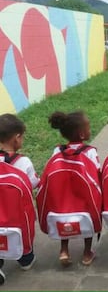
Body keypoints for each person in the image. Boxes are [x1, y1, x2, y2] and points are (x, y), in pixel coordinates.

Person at [47, 111, 100, 266]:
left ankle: (64, 250)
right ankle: (87, 252)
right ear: (82, 134)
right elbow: (96, 173)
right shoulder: (90, 151)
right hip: (83, 196)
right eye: (89, 126)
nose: (91, 129)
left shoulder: (58, 150)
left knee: (64, 219)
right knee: (89, 220)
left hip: (63, 196)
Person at [0, 114, 39, 285]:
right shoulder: (23, 162)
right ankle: (25, 260)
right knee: (21, 235)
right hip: (16, 216)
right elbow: (33, 183)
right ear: (16, 138)